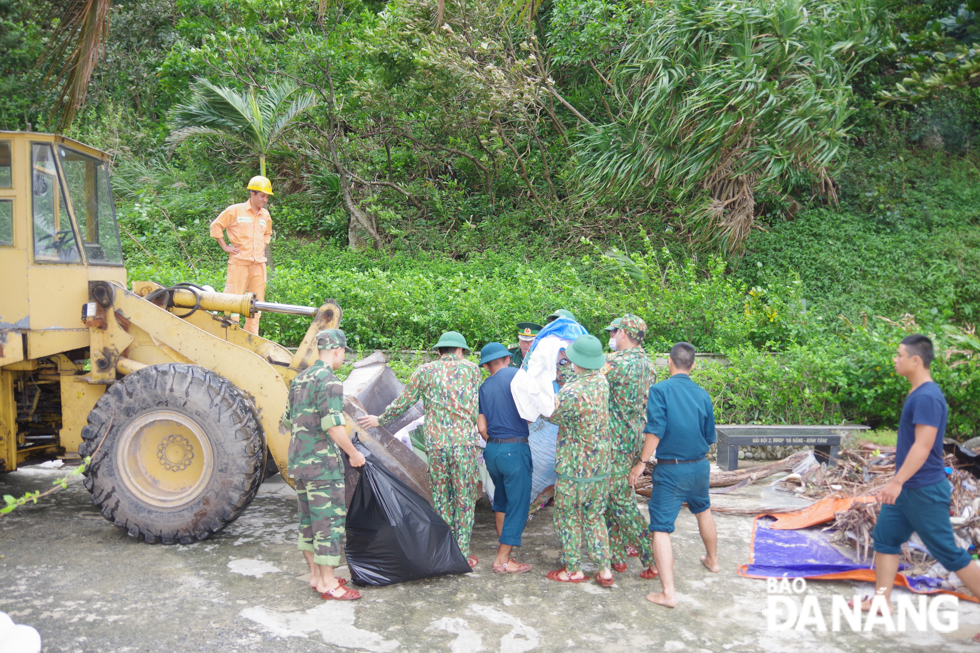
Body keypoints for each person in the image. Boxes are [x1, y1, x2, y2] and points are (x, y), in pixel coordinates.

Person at [856, 334, 980, 614]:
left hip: (923, 489)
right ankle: (881, 601)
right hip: (908, 488)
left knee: (949, 553)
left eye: (899, 355)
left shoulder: (927, 396)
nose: (895, 359)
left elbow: (924, 447)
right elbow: (915, 442)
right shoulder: (918, 393)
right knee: (886, 537)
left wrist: (896, 481)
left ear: (915, 360)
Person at [357, 331, 482, 568]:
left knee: (442, 499)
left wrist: (380, 419)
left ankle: (447, 552)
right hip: (465, 445)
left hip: (437, 446)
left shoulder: (424, 372)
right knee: (464, 500)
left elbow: (404, 402)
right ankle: (463, 554)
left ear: (438, 351)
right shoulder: (473, 370)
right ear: (460, 351)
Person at [629, 341, 719, 608]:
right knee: (703, 509)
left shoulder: (660, 390)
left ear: (669, 362)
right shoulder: (703, 394)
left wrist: (641, 462)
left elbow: (654, 430)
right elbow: (710, 436)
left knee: (660, 528)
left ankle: (668, 593)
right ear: (693, 365)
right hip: (700, 466)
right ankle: (712, 561)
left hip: (671, 470)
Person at [282, 329, 365, 601]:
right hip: (323, 466)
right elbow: (333, 427)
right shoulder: (330, 381)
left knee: (308, 522)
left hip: (300, 463)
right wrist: (354, 454)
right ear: (338, 351)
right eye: (343, 353)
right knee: (328, 523)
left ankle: (317, 576)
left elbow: (286, 420)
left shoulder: (300, 379)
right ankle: (330, 583)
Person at [547, 334, 615, 586]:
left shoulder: (571, 392)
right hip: (599, 466)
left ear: (575, 360)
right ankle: (604, 568)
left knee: (567, 516)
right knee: (595, 516)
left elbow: (553, 416)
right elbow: (581, 381)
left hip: (574, 468)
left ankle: (573, 569)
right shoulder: (601, 382)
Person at [604, 314, 659, 579]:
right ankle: (616, 556)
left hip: (615, 440)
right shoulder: (649, 365)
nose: (611, 337)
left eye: (613, 332)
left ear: (624, 333)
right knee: (616, 493)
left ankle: (653, 554)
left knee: (618, 499)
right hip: (637, 437)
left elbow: (587, 379)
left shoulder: (613, 363)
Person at [477, 342, 533, 574]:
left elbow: (481, 427)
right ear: (508, 359)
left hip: (492, 450)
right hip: (514, 449)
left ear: (487, 365)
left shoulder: (484, 386)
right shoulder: (519, 376)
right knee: (519, 505)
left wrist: (497, 440)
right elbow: (530, 415)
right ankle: (503, 559)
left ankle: (505, 547)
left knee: (501, 500)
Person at [209, 175, 274, 335]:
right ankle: (231, 336)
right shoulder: (235, 210)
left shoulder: (265, 215)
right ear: (252, 194)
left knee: (256, 304)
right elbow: (216, 226)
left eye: (267, 196)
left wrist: (262, 247)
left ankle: (252, 338)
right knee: (233, 302)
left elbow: (268, 233)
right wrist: (225, 247)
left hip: (258, 265)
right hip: (239, 263)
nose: (265, 199)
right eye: (262, 196)